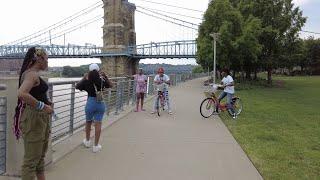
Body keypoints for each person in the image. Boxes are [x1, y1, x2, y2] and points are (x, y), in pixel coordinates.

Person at [14, 47, 53, 180]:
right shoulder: (31, 74)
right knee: (31, 162)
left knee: (40, 159)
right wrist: (42, 106)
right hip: (34, 119)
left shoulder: (34, 74)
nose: (48, 62)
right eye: (47, 59)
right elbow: (22, 93)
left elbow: (35, 93)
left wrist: (46, 101)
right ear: (39, 59)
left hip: (40, 118)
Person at [75, 63, 112, 153]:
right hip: (100, 103)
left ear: (89, 71)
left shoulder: (87, 81)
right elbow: (110, 85)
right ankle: (96, 146)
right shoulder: (102, 80)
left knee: (88, 122)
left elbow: (77, 87)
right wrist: (106, 76)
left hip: (90, 103)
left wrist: (84, 78)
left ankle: (87, 141)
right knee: (98, 124)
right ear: (98, 70)